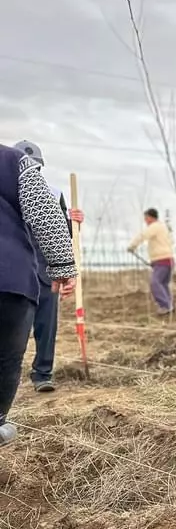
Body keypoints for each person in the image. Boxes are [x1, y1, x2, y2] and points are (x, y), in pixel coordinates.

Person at [0, 143, 77, 445]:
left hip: (21, 277)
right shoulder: (12, 161)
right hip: (12, 278)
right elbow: (46, 215)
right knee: (6, 357)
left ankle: (42, 373)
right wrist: (64, 267)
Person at [12, 140, 85, 392]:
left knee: (46, 326)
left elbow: (63, 234)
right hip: (15, 271)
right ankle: (9, 376)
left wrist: (74, 222)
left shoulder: (53, 193)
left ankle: (42, 374)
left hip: (45, 271)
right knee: (13, 327)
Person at [128, 208, 175, 315]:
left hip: (161, 260)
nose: (145, 220)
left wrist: (132, 246)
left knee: (155, 283)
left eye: (146, 218)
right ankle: (169, 306)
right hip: (168, 259)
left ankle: (165, 306)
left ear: (150, 217)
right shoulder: (163, 227)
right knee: (163, 284)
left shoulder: (154, 227)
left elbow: (143, 236)